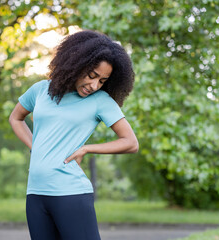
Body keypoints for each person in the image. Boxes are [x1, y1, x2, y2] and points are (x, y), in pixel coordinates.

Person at [9, 30, 138, 240]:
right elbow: (16, 118)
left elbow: (131, 142)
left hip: (71, 193)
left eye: (102, 81)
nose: (94, 85)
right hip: (35, 193)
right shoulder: (40, 90)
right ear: (76, 64)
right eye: (92, 75)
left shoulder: (100, 101)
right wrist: (36, 146)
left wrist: (87, 148)